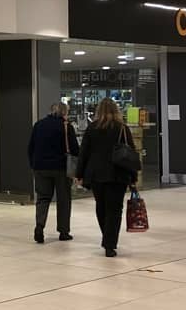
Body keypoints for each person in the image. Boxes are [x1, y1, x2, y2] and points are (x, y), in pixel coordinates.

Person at [75, 97, 137, 257]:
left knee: (101, 207)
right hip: (118, 174)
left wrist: (79, 174)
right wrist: (133, 176)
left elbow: (84, 153)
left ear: (99, 110)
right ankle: (110, 243)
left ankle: (106, 237)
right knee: (114, 209)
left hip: (96, 174)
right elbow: (131, 153)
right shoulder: (122, 128)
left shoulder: (92, 128)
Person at [27, 102, 79, 244]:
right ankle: (63, 232)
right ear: (64, 113)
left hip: (40, 167)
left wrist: (33, 164)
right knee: (64, 199)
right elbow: (74, 149)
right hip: (61, 168)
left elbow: (31, 147)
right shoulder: (66, 127)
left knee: (42, 198)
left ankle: (39, 226)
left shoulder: (39, 125)